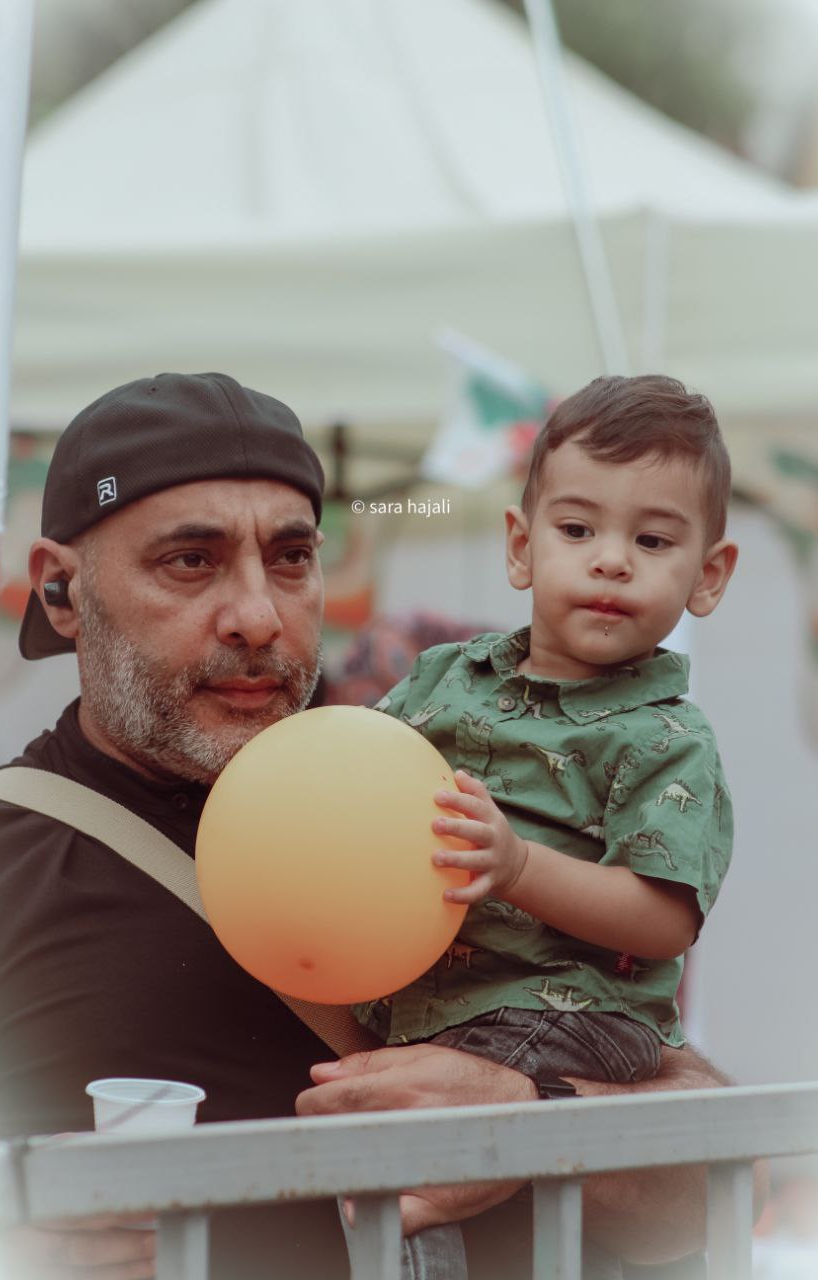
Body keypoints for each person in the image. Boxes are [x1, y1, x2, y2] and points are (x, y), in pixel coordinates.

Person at [0, 371, 755, 1280]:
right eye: (190, 560)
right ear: (61, 591)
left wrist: (532, 1116)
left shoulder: (439, 794)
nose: (257, 617)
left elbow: (706, 1186)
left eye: (291, 557)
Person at [354, 374, 739, 1278]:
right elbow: (361, 778)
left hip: (571, 1011)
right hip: (424, 993)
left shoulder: (666, 739)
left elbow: (662, 919)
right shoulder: (442, 676)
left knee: (411, 1150)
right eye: (576, 530)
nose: (610, 562)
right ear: (521, 548)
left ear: (708, 576)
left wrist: (519, 866)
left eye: (651, 540)